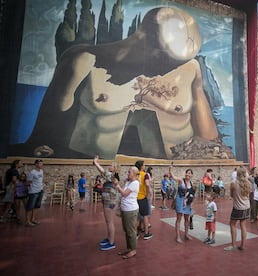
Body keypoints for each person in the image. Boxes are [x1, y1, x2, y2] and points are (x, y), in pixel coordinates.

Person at [13, 7, 226, 160]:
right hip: (99, 168)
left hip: (169, 170)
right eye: (166, 61)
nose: (170, 70)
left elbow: (208, 138)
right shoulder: (83, 61)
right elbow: (46, 135)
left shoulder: (190, 69)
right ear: (144, 42)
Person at [113, 166, 139, 259]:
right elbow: (122, 193)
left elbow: (124, 193)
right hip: (125, 209)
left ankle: (133, 250)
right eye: (128, 172)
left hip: (131, 210)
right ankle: (129, 248)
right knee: (126, 230)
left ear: (135, 174)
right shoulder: (129, 182)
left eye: (129, 172)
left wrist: (117, 185)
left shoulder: (135, 183)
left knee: (131, 231)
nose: (127, 174)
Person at [93, 156, 118, 251]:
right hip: (107, 200)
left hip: (109, 201)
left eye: (111, 165)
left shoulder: (112, 175)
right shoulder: (111, 175)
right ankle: (109, 238)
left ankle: (111, 243)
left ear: (115, 168)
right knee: (108, 221)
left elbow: (102, 171)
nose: (109, 166)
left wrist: (95, 162)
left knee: (110, 221)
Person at [224, 166, 251, 251]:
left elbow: (232, 196)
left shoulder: (234, 184)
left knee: (232, 224)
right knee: (243, 225)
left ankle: (233, 245)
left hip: (238, 207)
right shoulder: (248, 183)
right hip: (246, 206)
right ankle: (243, 245)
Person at [169, 165, 196, 243]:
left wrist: (191, 204)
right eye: (187, 173)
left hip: (187, 202)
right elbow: (173, 177)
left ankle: (186, 234)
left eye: (189, 173)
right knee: (179, 218)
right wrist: (170, 170)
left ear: (192, 175)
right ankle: (177, 236)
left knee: (187, 219)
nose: (188, 174)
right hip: (180, 201)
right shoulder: (181, 181)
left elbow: (192, 195)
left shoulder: (191, 183)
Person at [135, 160, 153, 240]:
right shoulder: (145, 175)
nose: (145, 166)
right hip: (142, 197)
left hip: (135, 198)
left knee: (136, 217)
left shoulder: (135, 174)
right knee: (145, 215)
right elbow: (147, 184)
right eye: (144, 165)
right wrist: (149, 193)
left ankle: (135, 234)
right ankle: (146, 233)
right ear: (142, 166)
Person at [25, 160, 44, 227]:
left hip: (40, 190)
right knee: (30, 207)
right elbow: (27, 182)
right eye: (40, 163)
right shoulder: (32, 172)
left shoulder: (41, 171)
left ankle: (33, 219)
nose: (41, 165)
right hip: (33, 192)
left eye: (42, 163)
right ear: (36, 164)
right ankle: (27, 221)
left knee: (36, 206)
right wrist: (30, 189)